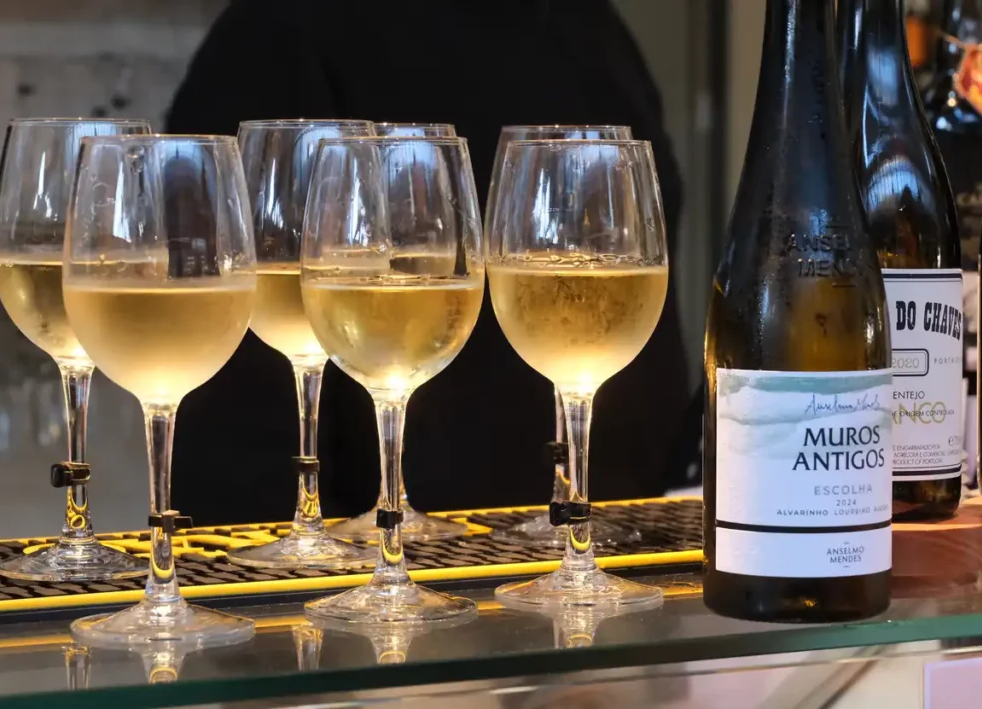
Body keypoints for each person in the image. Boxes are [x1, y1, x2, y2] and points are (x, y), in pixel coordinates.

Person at [165, 0, 694, 525]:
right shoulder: (281, 31)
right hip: (408, 558)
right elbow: (231, 436)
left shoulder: (596, 29)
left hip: (629, 542)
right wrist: (315, 561)